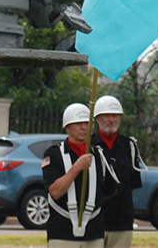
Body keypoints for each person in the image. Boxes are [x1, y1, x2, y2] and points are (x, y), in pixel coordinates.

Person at [43, 103, 119, 248]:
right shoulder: (54, 154)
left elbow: (109, 190)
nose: (84, 128)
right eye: (78, 124)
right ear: (67, 127)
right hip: (62, 232)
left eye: (87, 123)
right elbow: (55, 192)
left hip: (94, 232)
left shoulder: (100, 154)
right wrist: (76, 168)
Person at [91, 96, 145, 248]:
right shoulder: (89, 145)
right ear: (97, 118)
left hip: (122, 221)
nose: (110, 120)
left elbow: (134, 183)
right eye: (106, 115)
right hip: (95, 220)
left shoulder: (130, 146)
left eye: (114, 115)